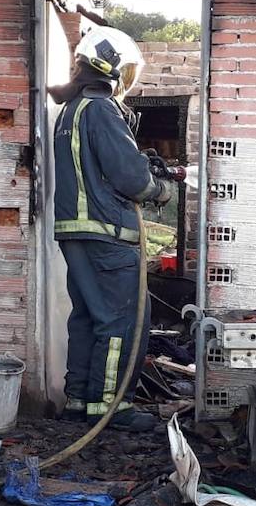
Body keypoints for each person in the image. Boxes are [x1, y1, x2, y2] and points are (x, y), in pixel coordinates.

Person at [50, 25, 174, 433]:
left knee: (87, 318)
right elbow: (130, 178)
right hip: (109, 235)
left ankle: (78, 401)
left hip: (76, 233)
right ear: (114, 66)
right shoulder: (102, 108)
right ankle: (111, 408)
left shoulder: (71, 109)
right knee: (122, 321)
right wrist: (160, 190)